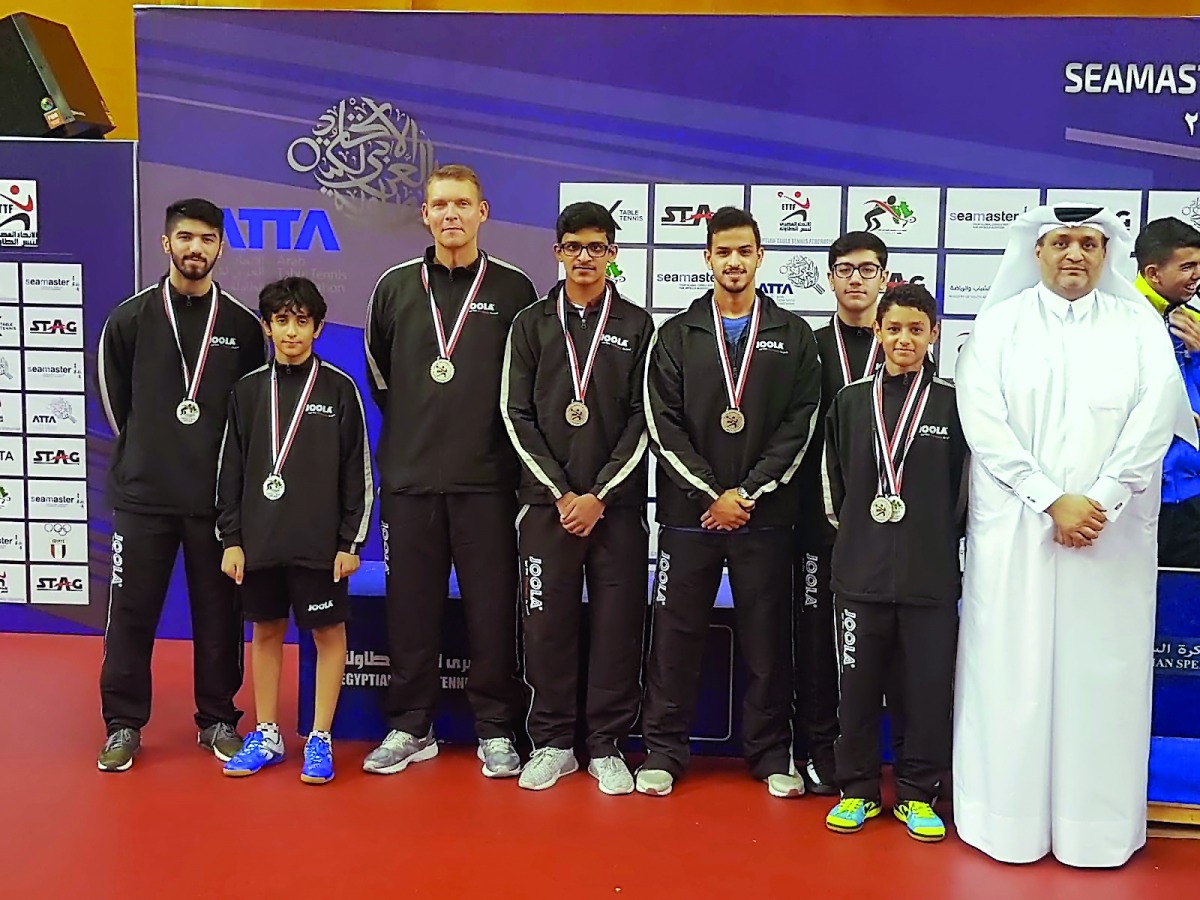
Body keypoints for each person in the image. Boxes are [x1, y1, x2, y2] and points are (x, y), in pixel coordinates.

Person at [953, 203, 1197, 867]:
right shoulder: (999, 325)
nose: (1074, 255)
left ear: (1105, 253)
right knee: (1012, 673)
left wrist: (1102, 499)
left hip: (1110, 538)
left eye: (1088, 243)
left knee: (1102, 680)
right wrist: (1049, 499)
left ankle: (1097, 831)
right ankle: (1005, 824)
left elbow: (1155, 419)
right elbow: (984, 422)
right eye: (1061, 242)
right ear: (1036, 251)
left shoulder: (1137, 327)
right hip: (1018, 536)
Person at [362, 164, 538, 777]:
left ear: (482, 212)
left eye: (462, 203)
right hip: (410, 480)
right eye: (440, 204)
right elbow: (381, 375)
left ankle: (496, 728)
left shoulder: (514, 289)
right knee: (410, 610)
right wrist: (418, 430)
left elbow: (527, 381)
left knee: (492, 611)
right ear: (425, 215)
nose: (451, 214)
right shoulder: (393, 287)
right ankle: (412, 726)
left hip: (488, 482)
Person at [640, 207, 821, 798]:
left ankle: (769, 753)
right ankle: (664, 750)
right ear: (708, 258)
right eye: (724, 252)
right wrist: (709, 494)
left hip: (764, 518)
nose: (734, 261)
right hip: (688, 515)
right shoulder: (676, 334)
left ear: (760, 256)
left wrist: (745, 494)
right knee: (675, 637)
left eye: (745, 251)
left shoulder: (793, 334)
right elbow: (662, 423)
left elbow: (801, 423)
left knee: (767, 641)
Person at [96, 198, 266, 772]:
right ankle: (123, 723)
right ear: (166, 243)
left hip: (215, 504)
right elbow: (115, 402)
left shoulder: (242, 327)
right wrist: (147, 452)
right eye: (186, 237)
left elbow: (251, 415)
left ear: (220, 247)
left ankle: (217, 718)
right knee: (130, 614)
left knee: (219, 617)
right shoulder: (130, 319)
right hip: (143, 498)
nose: (196, 248)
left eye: (207, 239)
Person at [501, 201, 654, 794]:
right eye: (574, 247)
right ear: (558, 252)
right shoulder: (531, 323)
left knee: (617, 628)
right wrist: (563, 492)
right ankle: (554, 742)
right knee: (546, 628)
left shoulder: (638, 325)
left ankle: (607, 745)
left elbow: (645, 418)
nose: (584, 257)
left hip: (616, 511)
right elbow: (515, 413)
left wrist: (600, 495)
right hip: (548, 508)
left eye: (596, 246)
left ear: (612, 253)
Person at [822, 283, 966, 842]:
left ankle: (917, 793)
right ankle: (857, 789)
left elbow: (963, 491)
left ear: (934, 334)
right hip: (860, 576)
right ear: (878, 332)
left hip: (930, 577)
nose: (904, 339)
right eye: (894, 328)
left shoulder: (954, 404)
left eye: (916, 329)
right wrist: (860, 541)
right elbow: (833, 483)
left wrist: (935, 541)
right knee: (856, 692)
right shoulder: (850, 402)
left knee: (927, 691)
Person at [216, 277, 372, 784]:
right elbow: (230, 470)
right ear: (266, 326)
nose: (290, 331)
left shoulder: (339, 389)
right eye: (281, 320)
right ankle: (267, 733)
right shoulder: (246, 391)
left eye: (301, 321)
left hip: (320, 545)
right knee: (265, 631)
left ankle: (320, 736)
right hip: (260, 540)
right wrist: (231, 539)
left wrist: (350, 542)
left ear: (318, 328)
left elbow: (358, 471)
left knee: (328, 633)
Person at [792, 231, 890, 795]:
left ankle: (867, 753)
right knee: (816, 642)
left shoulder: (902, 342)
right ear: (830, 277)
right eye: (845, 269)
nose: (856, 279)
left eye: (867, 269)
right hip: (818, 524)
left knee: (875, 645)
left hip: (886, 527)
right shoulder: (808, 346)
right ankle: (817, 748)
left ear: (884, 278)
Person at [1133, 217, 1200, 568]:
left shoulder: (1193, 320)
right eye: (1187, 267)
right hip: (1136, 495)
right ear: (1153, 273)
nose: (1197, 275)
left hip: (1191, 494)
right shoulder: (1117, 320)